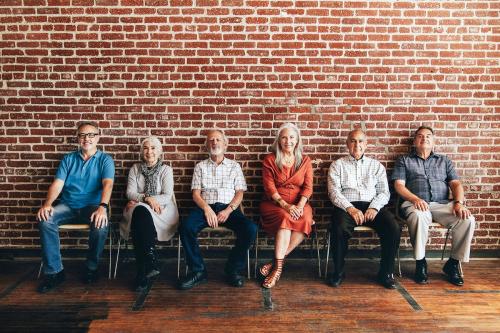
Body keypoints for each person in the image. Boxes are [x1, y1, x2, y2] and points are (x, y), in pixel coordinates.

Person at [36, 121, 115, 293]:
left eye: (91, 135)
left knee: (101, 226)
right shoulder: (68, 159)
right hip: (68, 205)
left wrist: (103, 207)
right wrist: (47, 204)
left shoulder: (105, 160)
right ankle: (55, 272)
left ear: (98, 138)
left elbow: (108, 184)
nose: (87, 138)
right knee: (45, 219)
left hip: (93, 206)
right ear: (78, 138)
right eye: (82, 135)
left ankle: (91, 268)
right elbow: (57, 184)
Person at [392, 125, 475, 286]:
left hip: (442, 204)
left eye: (428, 136)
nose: (424, 138)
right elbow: (399, 186)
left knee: (467, 219)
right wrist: (415, 199)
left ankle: (453, 263)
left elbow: (456, 184)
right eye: (420, 136)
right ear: (415, 141)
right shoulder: (404, 160)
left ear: (433, 141)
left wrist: (459, 203)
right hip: (414, 203)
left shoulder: (444, 161)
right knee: (419, 214)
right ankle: (420, 262)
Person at [178, 129, 257, 290]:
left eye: (218, 140)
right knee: (185, 227)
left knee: (250, 229)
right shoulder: (200, 166)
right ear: (207, 145)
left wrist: (228, 210)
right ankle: (198, 271)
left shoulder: (234, 166)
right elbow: (195, 194)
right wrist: (207, 209)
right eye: (211, 140)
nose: (215, 142)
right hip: (205, 207)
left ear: (225, 144)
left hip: (229, 208)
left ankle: (232, 269)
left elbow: (240, 193)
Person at [327, 129, 400, 289]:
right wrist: (350, 208)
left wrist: (374, 207)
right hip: (347, 205)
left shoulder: (376, 166)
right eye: (353, 141)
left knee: (393, 227)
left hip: (372, 205)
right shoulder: (337, 165)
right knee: (338, 227)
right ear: (347, 144)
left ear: (366, 144)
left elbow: (384, 192)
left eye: (360, 141)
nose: (357, 144)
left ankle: (386, 273)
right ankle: (338, 272)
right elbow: (334, 193)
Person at [259, 123, 314, 289]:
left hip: (299, 203)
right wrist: (286, 206)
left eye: (291, 137)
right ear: (278, 140)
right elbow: (270, 188)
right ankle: (278, 270)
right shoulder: (270, 159)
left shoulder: (305, 161)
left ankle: (275, 264)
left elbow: (308, 187)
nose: (287, 141)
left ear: (297, 140)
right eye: (283, 137)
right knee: (285, 218)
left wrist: (298, 206)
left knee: (306, 219)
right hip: (274, 203)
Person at [121, 137, 179, 291]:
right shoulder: (135, 168)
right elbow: (130, 193)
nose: (149, 152)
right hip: (140, 208)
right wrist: (146, 199)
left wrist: (146, 200)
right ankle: (150, 259)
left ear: (159, 152)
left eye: (153, 148)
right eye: (146, 148)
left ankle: (142, 272)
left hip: (162, 210)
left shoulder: (166, 170)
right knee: (140, 213)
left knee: (139, 219)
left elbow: (167, 195)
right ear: (142, 152)